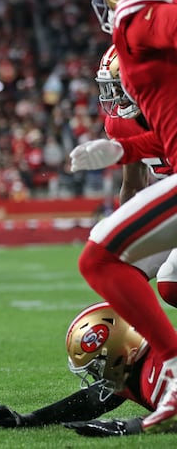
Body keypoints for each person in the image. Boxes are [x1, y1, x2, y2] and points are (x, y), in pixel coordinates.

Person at [66, 0, 177, 432]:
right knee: (169, 282)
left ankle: (173, 367)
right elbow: (165, 139)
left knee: (102, 259)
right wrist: (120, 149)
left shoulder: (144, 14)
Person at [0, 301, 176, 437]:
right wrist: (27, 420)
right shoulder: (136, 367)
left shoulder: (161, 368)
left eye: (97, 364)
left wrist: (125, 427)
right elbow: (90, 401)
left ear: (119, 353)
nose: (96, 374)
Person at [93, 44, 177, 307]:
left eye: (120, 86)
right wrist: (125, 232)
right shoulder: (120, 122)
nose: (116, 98)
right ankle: (134, 343)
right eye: (112, 88)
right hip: (169, 205)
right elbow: (133, 183)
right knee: (116, 270)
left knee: (171, 281)